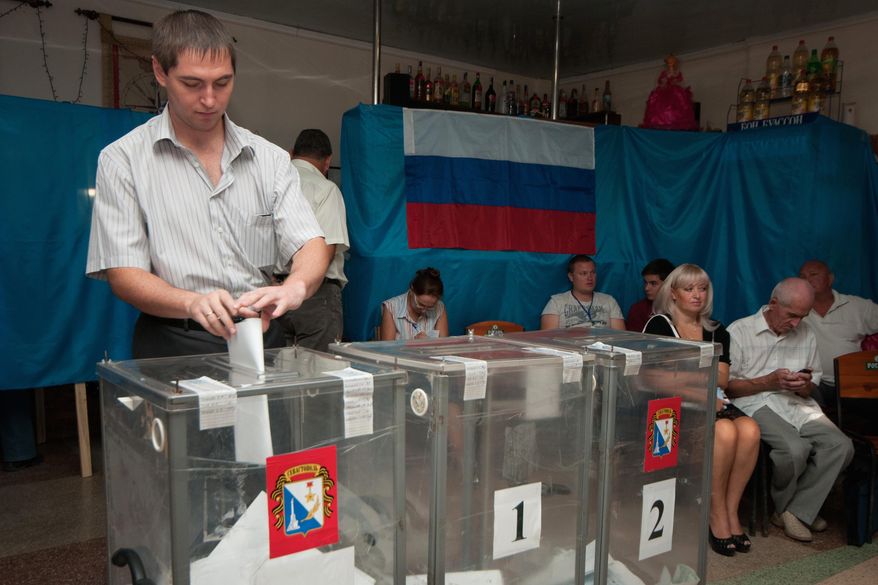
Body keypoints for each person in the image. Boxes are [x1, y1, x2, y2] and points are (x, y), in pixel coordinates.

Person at [86, 10, 330, 359]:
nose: (210, 99)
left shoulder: (269, 159)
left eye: (222, 82)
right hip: (174, 342)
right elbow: (124, 272)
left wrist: (294, 287)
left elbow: (310, 243)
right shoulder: (122, 160)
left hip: (261, 338)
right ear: (160, 72)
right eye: (192, 84)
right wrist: (192, 302)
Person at [644, 264, 760, 556]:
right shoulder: (659, 325)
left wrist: (680, 372)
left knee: (749, 430)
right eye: (689, 289)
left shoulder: (717, 329)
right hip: (669, 408)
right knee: (724, 431)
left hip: (715, 399)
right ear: (674, 293)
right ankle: (714, 514)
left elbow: (722, 380)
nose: (697, 295)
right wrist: (698, 383)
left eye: (702, 288)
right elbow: (653, 378)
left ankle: (731, 513)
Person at [727, 278, 854, 543]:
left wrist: (804, 385)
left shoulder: (805, 332)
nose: (797, 323)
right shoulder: (739, 331)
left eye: (802, 316)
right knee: (794, 449)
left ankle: (794, 510)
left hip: (796, 403)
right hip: (755, 402)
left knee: (841, 446)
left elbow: (812, 383)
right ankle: (797, 510)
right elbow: (728, 389)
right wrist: (767, 381)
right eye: (792, 315)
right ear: (773, 304)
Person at [276, 129, 350, 351]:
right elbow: (326, 250)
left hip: (274, 291)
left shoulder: (274, 187)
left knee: (277, 372)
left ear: (291, 153)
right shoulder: (327, 190)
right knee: (318, 374)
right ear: (327, 161)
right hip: (317, 294)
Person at [798, 259, 878, 416]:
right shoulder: (795, 309)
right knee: (801, 396)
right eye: (802, 277)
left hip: (854, 382)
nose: (807, 280)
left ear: (830, 278)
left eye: (813, 274)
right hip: (814, 384)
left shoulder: (858, 306)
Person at [540, 254, 625, 330]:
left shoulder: (609, 301)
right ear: (571, 277)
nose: (590, 278)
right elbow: (548, 340)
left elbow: (621, 338)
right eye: (583, 273)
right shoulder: (556, 302)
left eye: (592, 273)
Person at [380, 267, 449, 340]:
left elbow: (443, 346)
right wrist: (413, 344)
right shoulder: (391, 307)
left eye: (430, 307)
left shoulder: (439, 307)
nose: (424, 310)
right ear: (412, 290)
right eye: (420, 304)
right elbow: (387, 348)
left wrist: (429, 343)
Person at [627, 258, 674, 332]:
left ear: (668, 284)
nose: (646, 288)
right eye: (645, 282)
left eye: (653, 283)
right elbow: (635, 341)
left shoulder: (682, 308)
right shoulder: (638, 309)